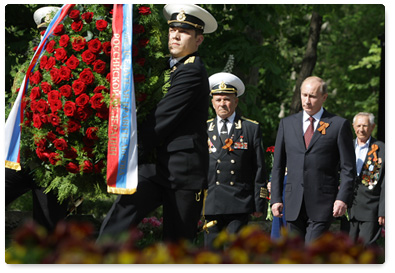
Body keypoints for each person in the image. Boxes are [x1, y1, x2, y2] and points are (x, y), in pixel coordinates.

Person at [98, 4, 217, 243]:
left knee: (177, 246)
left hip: (182, 171)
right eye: (172, 29)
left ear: (199, 40)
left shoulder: (193, 71)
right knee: (115, 224)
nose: (174, 35)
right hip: (153, 166)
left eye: (183, 32)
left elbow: (162, 117)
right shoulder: (165, 67)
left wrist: (126, 151)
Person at [5, 6, 69, 232]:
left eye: (52, 32)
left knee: (49, 233)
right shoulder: (27, 69)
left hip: (54, 165)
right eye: (43, 33)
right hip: (21, 157)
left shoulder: (74, 68)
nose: (47, 38)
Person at [270, 76, 356, 244]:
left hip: (322, 203)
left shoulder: (338, 125)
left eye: (312, 96)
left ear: (324, 97)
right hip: (293, 202)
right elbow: (278, 165)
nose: (307, 101)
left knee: (312, 252)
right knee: (294, 256)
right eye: (304, 95)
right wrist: (276, 199)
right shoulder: (287, 124)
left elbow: (348, 168)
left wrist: (342, 198)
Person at [203, 72, 268, 248]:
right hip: (211, 203)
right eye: (218, 99)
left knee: (235, 254)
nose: (222, 103)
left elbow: (259, 167)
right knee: (211, 255)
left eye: (227, 99)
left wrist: (259, 202)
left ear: (236, 101)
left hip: (239, 202)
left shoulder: (250, 128)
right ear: (212, 102)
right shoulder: (203, 129)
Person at [348, 112, 385, 246]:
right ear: (353, 126)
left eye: (365, 125)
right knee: (347, 251)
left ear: (372, 127)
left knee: (366, 250)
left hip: (371, 209)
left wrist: (384, 211)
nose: (361, 129)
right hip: (349, 209)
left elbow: (387, 183)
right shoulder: (347, 147)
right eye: (358, 125)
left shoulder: (382, 149)